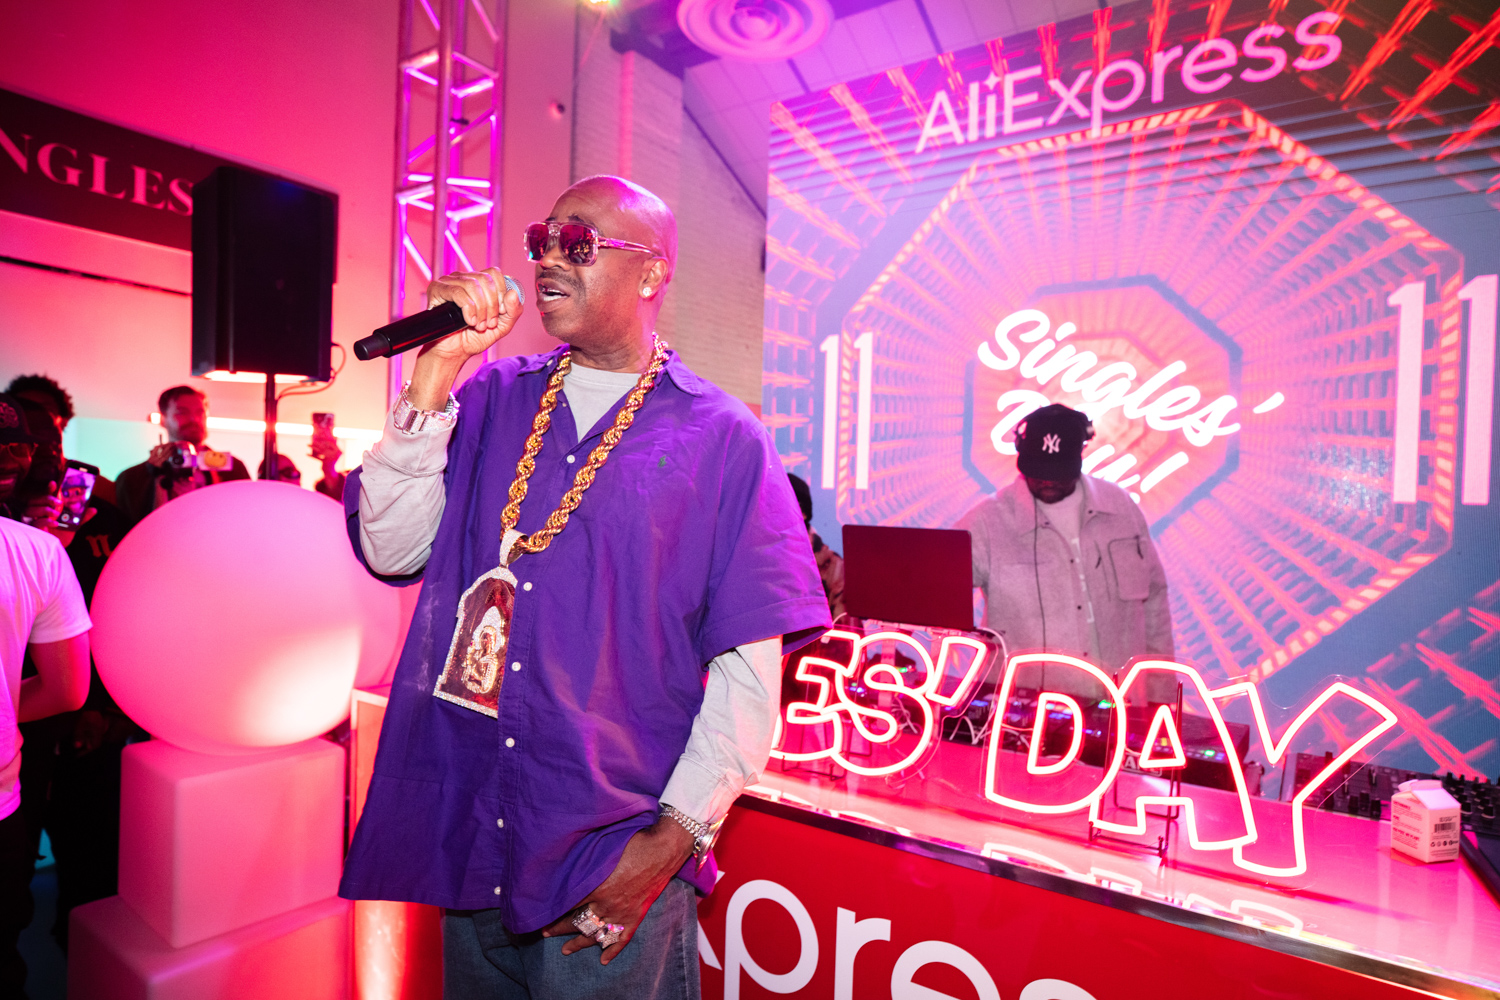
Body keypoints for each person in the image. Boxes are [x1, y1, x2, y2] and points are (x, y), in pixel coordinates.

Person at [340, 175, 829, 999]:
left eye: (579, 243)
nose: (548, 260)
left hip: (606, 853)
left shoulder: (722, 438)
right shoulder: (490, 397)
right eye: (543, 240)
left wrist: (667, 847)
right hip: (474, 832)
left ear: (651, 273)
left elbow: (748, 677)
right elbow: (390, 550)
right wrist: (434, 372)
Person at [958, 403, 1172, 692]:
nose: (1048, 480)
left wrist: (1160, 691)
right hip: (1025, 707)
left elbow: (1154, 606)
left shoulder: (1121, 508)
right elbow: (934, 592)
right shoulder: (986, 522)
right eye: (1038, 470)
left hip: (1120, 700)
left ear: (1080, 455)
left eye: (1059, 472)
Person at [0, 392, 92, 996]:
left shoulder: (43, 544)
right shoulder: (35, 551)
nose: (17, 461)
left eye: (25, 447)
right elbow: (66, 688)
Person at [115, 386, 249, 525]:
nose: (194, 419)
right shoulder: (132, 478)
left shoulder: (234, 469)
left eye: (200, 413)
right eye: (182, 413)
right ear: (162, 419)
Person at [787, 473, 845, 621]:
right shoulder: (756, 558)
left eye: (785, 505)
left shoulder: (832, 565)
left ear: (803, 513)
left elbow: (843, 624)